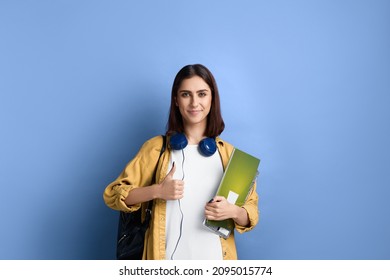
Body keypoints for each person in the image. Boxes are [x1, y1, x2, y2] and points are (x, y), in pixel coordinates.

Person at [103, 64, 259, 260]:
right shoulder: (155, 149)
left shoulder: (230, 155)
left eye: (202, 94)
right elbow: (113, 195)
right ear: (176, 100)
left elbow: (251, 213)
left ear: (212, 98)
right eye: (186, 94)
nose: (194, 102)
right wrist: (157, 191)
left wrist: (233, 211)